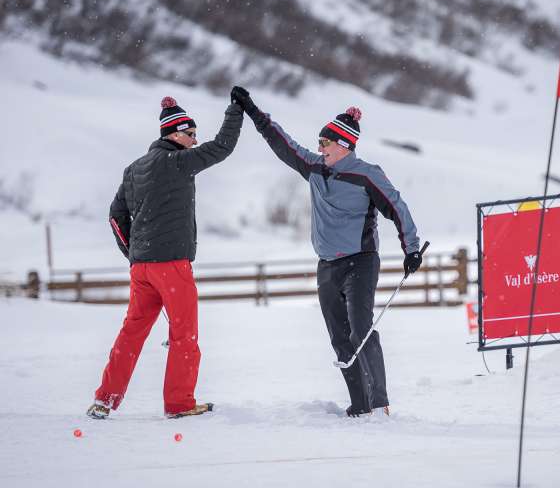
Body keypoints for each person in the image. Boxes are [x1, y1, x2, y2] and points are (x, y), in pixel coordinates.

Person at [230, 86, 423, 417]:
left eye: (325, 143)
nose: (319, 147)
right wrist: (252, 110)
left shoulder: (367, 175)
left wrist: (412, 249)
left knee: (360, 328)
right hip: (327, 267)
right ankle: (360, 405)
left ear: (344, 146)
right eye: (319, 143)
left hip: (361, 261)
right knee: (339, 337)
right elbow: (282, 143)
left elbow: (397, 207)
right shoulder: (315, 168)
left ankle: (379, 403)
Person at [86, 91, 244, 419]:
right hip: (171, 264)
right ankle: (179, 403)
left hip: (142, 268)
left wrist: (133, 253)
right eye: (190, 134)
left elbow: (116, 217)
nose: (195, 140)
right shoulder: (178, 162)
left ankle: (104, 400)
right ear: (173, 134)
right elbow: (223, 147)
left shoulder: (133, 169)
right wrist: (235, 111)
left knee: (131, 333)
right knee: (184, 334)